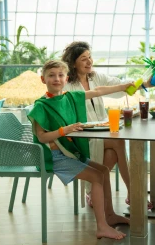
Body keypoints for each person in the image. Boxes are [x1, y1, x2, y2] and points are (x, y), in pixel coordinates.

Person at [28, 60, 132, 240]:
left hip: (69, 153)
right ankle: (101, 226)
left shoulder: (69, 97)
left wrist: (124, 86)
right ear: (43, 79)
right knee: (97, 176)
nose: (56, 79)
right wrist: (64, 131)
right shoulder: (41, 106)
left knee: (103, 170)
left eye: (60, 75)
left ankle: (109, 215)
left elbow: (98, 91)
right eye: (51, 75)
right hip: (53, 157)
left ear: (66, 78)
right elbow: (42, 137)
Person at [61, 41, 153, 209]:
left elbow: (120, 85)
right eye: (84, 59)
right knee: (119, 142)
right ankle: (133, 193)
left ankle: (93, 194)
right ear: (73, 63)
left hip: (101, 133)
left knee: (111, 154)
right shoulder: (67, 85)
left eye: (90, 57)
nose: (89, 62)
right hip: (81, 137)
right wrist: (122, 86)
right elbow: (92, 95)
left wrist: (145, 84)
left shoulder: (95, 77)